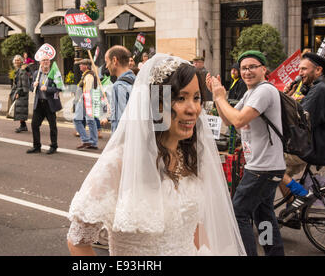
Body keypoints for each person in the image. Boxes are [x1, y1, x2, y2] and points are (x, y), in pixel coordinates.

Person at [67, 54, 246, 256]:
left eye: (196, 98)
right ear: (155, 104)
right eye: (180, 98)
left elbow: (194, 227)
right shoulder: (119, 162)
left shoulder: (191, 158)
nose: (193, 109)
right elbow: (78, 242)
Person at [206, 50, 286, 256]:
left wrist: (220, 96)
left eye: (253, 67)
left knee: (238, 212)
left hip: (263, 168)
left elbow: (240, 120)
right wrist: (217, 98)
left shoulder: (264, 91)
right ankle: (274, 253)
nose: (247, 71)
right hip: (264, 166)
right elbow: (228, 120)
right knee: (263, 214)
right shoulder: (251, 92)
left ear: (264, 69)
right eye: (244, 68)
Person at [279, 53, 325, 220]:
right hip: (318, 145)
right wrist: (290, 97)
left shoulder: (319, 91)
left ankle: (300, 196)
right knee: (281, 173)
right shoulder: (320, 88)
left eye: (304, 69)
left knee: (271, 165)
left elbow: (299, 120)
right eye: (299, 69)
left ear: (318, 70)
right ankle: (293, 209)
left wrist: (286, 99)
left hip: (314, 148)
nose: (300, 73)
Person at [27, 54, 63, 155]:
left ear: (50, 62)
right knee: (34, 125)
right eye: (43, 60)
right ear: (40, 63)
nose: (45, 62)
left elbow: (59, 88)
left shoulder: (55, 73)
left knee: (52, 126)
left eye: (47, 60)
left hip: (50, 103)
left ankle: (53, 146)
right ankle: (36, 146)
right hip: (39, 103)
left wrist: (48, 89)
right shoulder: (36, 74)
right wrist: (33, 85)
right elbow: (31, 88)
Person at [102, 45, 136, 133]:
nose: (106, 66)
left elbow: (121, 122)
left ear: (114, 60)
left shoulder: (118, 86)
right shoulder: (136, 80)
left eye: (107, 62)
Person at [73, 59, 99, 150]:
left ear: (86, 66)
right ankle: (93, 142)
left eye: (81, 64)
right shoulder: (88, 75)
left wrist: (81, 100)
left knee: (77, 119)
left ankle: (86, 140)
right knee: (90, 121)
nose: (79, 66)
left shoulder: (88, 76)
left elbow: (87, 90)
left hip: (86, 99)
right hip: (89, 99)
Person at [10, 55, 30, 133]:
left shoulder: (22, 70)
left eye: (18, 60)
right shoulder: (18, 70)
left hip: (22, 92)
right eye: (15, 60)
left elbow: (24, 84)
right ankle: (23, 125)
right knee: (20, 109)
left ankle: (23, 126)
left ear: (21, 61)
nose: (16, 61)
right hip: (19, 92)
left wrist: (19, 92)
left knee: (21, 109)